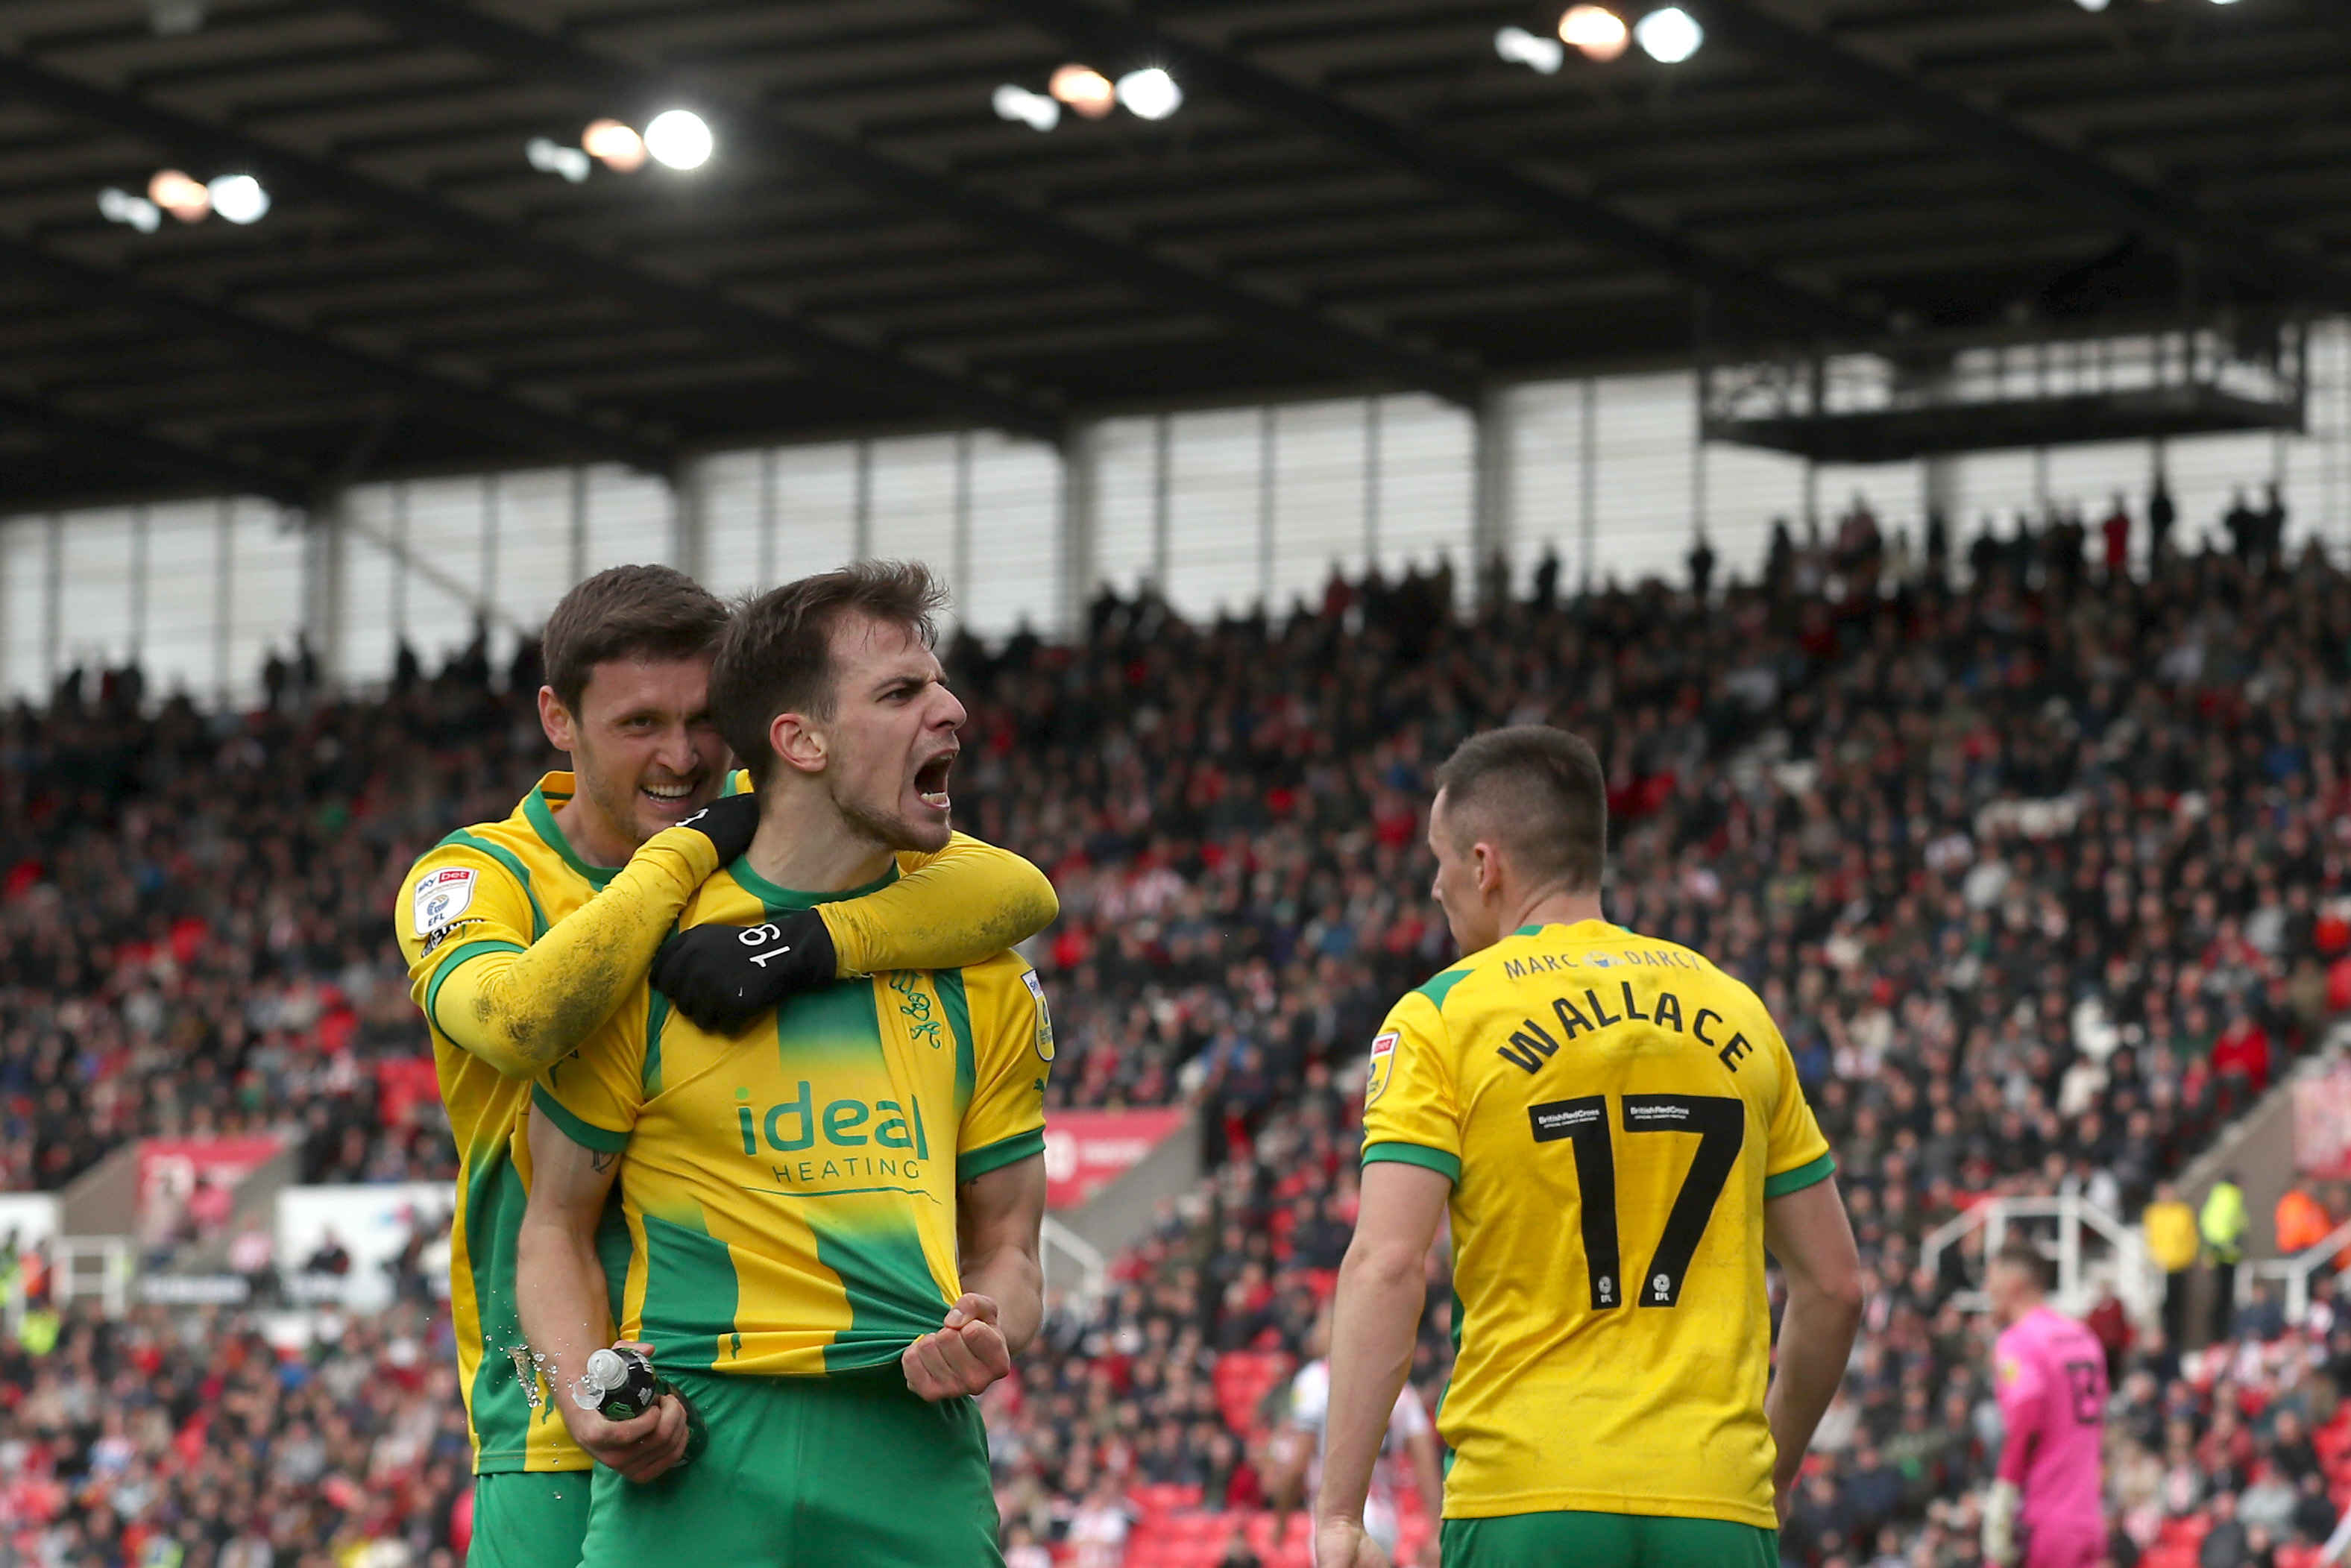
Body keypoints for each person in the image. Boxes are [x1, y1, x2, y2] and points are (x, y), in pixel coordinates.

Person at [397, 564, 1058, 1568]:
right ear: (558, 718)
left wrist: (807, 940)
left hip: (743, 1394)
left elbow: (1014, 890)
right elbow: (522, 1016)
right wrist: (691, 853)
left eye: (706, 718)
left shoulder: (793, 832)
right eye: (639, 723)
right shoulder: (480, 875)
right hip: (553, 1395)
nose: (683, 755)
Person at [1312, 725, 1863, 1568]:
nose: (1434, 884)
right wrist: (1770, 1475)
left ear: (1486, 865)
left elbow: (1387, 1263)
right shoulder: (1740, 1013)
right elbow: (1834, 1285)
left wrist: (1341, 1512)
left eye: (1441, 859)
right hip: (1716, 1497)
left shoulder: (1442, 1018)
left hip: (1528, 1494)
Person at [1271, 1303, 1442, 1564]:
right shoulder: (1401, 1389)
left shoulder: (1315, 1380)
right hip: (1385, 1523)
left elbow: (1298, 1465)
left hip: (1337, 1520)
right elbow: (1426, 1464)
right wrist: (1436, 1530)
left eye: (1320, 1325)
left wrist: (1281, 1519)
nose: (1315, 1334)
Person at [1980, 1241, 2107, 1568]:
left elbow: (2027, 1415)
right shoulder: (2083, 1337)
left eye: (1990, 1280)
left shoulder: (2018, 1342)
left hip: (2043, 1521)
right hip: (2087, 1519)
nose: (1986, 1289)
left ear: (2013, 1285)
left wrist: (2004, 1494)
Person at [2142, 1183, 2199, 1351]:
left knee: (2177, 1309)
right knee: (2161, 1308)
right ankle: (2161, 1344)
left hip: (2179, 1265)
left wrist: (2190, 1258)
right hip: (2160, 1267)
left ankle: (2175, 1345)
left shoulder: (2183, 1211)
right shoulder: (2152, 1213)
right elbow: (2150, 1238)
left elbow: (2191, 1237)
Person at [2203, 1174, 2250, 1345]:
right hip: (2225, 1255)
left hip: (2226, 1255)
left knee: (2224, 1297)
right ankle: (2220, 1335)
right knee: (2223, 1298)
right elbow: (2218, 1227)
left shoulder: (2220, 1197)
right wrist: (2227, 1245)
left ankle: (2221, 1335)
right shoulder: (2228, 1197)